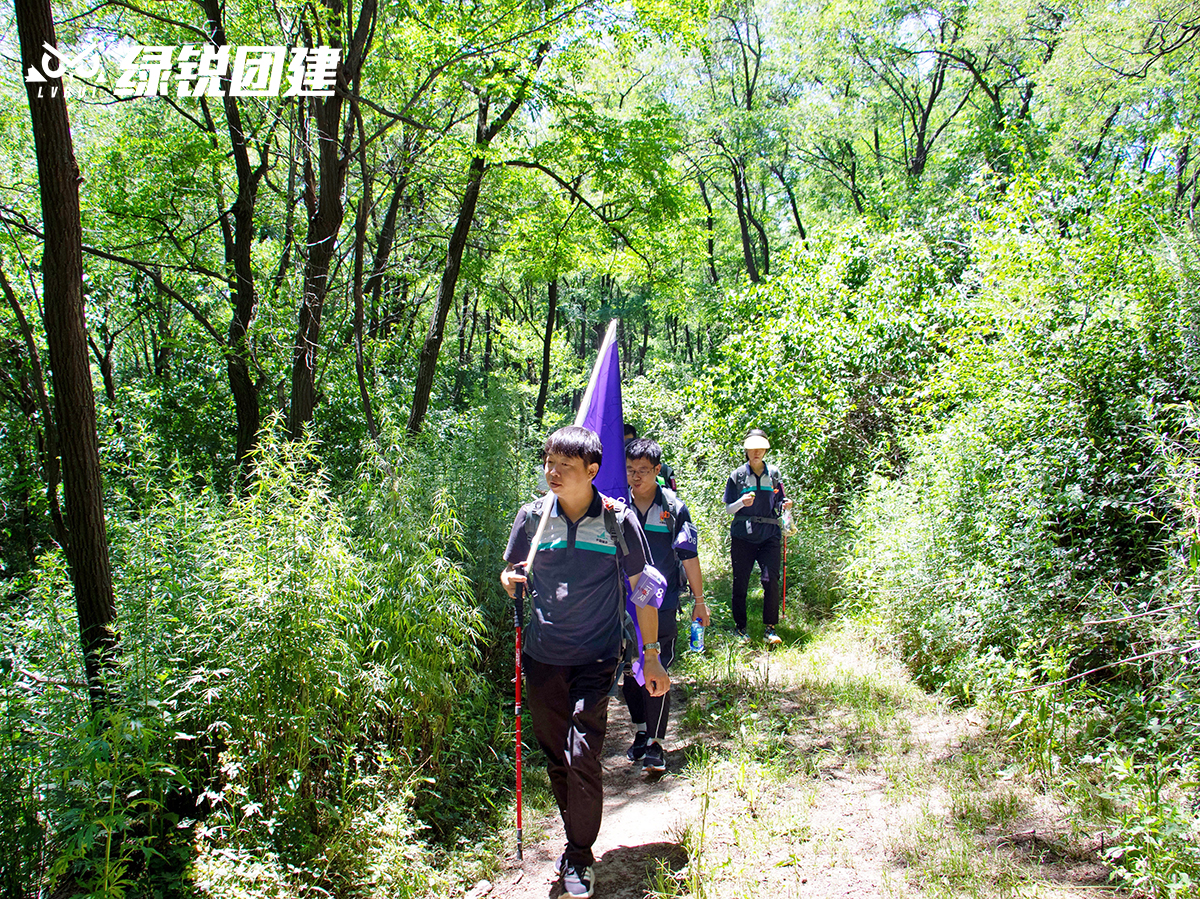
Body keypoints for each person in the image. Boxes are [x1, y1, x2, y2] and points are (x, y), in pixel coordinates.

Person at [501, 426, 670, 899]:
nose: (552, 473)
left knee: (582, 754)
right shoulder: (532, 517)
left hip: (597, 656)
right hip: (542, 656)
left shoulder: (617, 520)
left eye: (565, 466)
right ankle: (575, 833)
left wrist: (651, 658)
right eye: (549, 462)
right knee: (557, 756)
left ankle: (578, 853)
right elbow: (511, 568)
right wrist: (510, 579)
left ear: (592, 471)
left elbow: (645, 590)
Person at [622, 438, 709, 773]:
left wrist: (699, 602)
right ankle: (642, 731)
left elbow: (688, 555)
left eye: (643, 470)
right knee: (630, 669)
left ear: (657, 471)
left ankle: (657, 743)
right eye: (630, 470)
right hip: (624, 605)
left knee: (656, 666)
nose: (636, 477)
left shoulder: (672, 507)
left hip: (662, 602)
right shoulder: (617, 504)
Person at [723, 429, 793, 644]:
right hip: (743, 536)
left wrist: (785, 504)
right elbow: (728, 509)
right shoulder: (737, 476)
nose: (757, 452)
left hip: (770, 535)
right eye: (753, 448)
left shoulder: (774, 474)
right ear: (746, 450)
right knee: (740, 582)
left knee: (771, 580)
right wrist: (741, 503)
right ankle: (740, 628)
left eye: (761, 448)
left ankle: (770, 629)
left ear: (765, 450)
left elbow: (779, 501)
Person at [624, 423, 676, 490]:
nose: (636, 477)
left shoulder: (664, 471)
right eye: (630, 470)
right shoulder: (611, 471)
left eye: (642, 471)